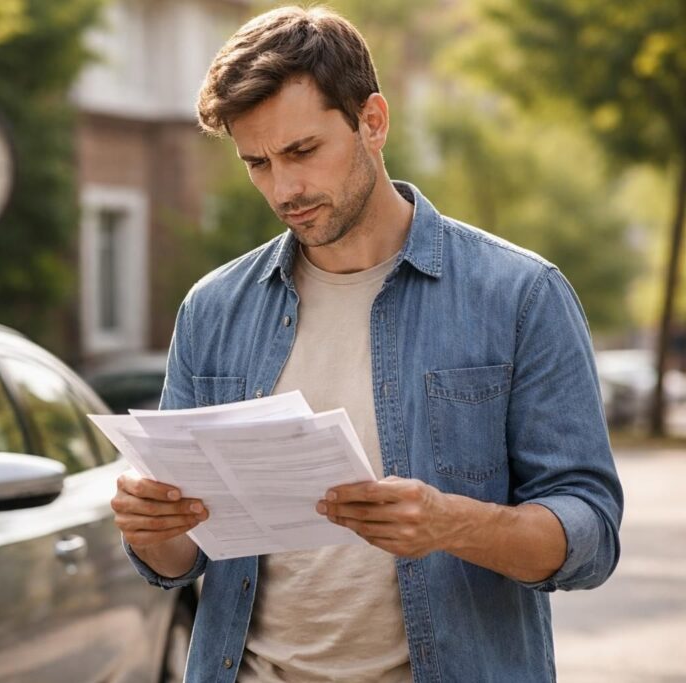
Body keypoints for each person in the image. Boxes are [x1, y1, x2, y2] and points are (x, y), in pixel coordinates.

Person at [109, 6, 623, 682]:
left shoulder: (519, 293)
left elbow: (590, 534)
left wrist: (451, 524)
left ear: (372, 122)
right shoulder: (213, 310)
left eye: (302, 151)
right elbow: (183, 561)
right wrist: (153, 528)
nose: (283, 188)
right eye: (257, 163)